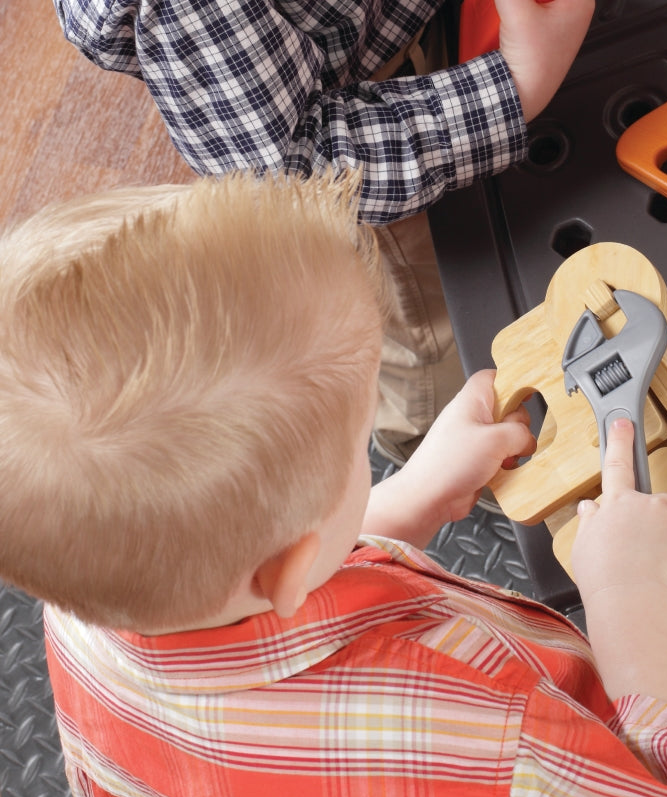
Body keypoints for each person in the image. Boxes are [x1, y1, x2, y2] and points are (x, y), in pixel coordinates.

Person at [0, 171, 667, 797]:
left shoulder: (89, 607)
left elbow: (113, 791)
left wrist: (408, 497)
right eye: (363, 447)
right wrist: (629, 590)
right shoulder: (457, 755)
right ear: (291, 560)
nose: (370, 452)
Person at [53, 0, 596, 462]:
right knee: (429, 337)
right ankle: (424, 443)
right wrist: (520, 83)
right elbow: (293, 165)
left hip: (413, 37)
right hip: (370, 151)